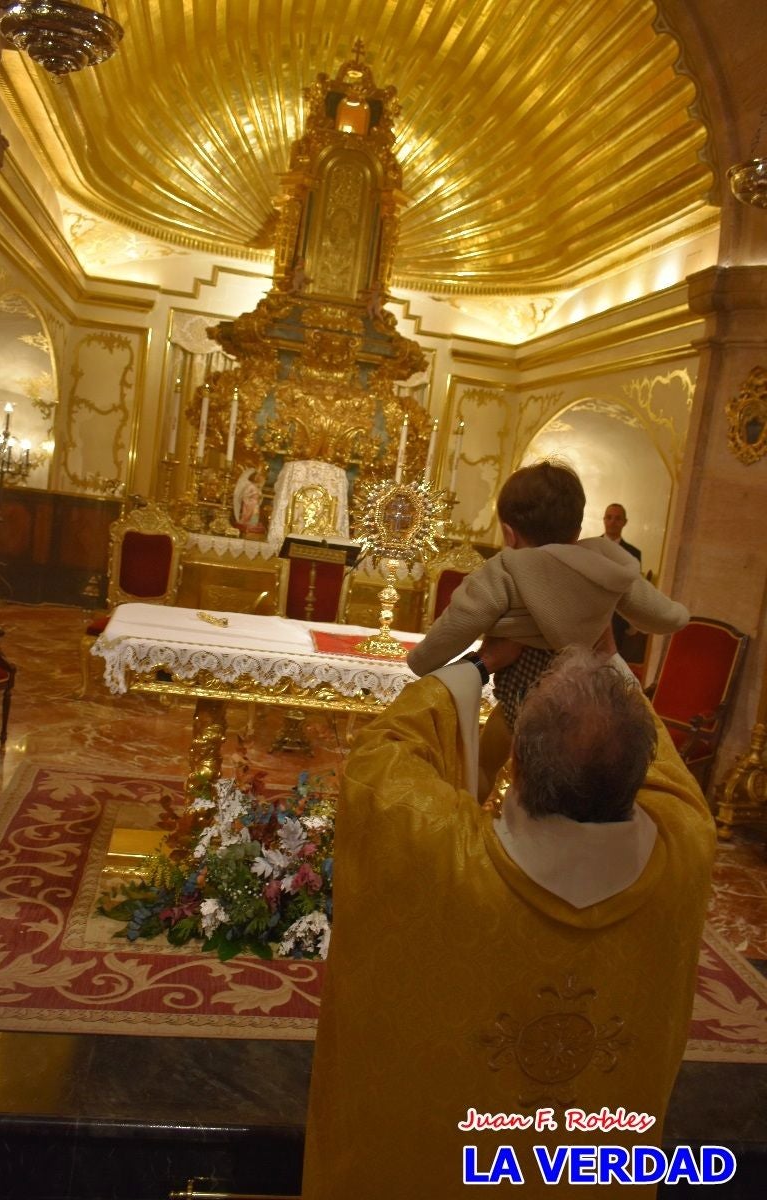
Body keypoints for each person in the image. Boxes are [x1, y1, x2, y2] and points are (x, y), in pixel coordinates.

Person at [302, 646, 717, 1199]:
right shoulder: (687, 843)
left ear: (516, 760)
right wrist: (609, 656)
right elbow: (666, 769)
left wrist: (478, 666)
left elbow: (381, 758)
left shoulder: (436, 846)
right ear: (637, 773)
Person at [407, 462, 688, 799]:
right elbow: (664, 616)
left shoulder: (507, 569)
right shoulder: (607, 565)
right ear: (578, 527)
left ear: (510, 534)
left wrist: (420, 661)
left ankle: (476, 825)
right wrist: (680, 615)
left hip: (522, 704)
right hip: (583, 702)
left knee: (481, 766)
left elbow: (457, 626)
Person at [603, 503, 646, 662]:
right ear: (604, 519)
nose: (612, 521)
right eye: (609, 517)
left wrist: (632, 620)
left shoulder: (634, 554)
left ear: (624, 522)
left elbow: (633, 588)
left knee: (613, 662)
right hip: (589, 613)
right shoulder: (589, 546)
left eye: (617, 518)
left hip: (618, 616)